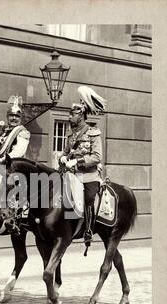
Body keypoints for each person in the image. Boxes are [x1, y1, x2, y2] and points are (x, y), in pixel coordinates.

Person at [59, 85, 106, 248]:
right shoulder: (71, 134)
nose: (70, 116)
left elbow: (97, 157)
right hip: (70, 175)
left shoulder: (93, 133)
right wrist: (63, 157)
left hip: (88, 175)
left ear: (82, 115)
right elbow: (65, 151)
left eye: (73, 114)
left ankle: (88, 230)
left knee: (89, 199)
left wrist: (77, 162)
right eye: (70, 113)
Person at [0, 95, 30, 160]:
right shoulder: (1, 130)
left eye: (17, 116)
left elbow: (19, 152)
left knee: (1, 170)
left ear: (20, 119)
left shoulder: (22, 132)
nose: (14, 118)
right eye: (11, 115)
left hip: (12, 164)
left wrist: (2, 160)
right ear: (7, 117)